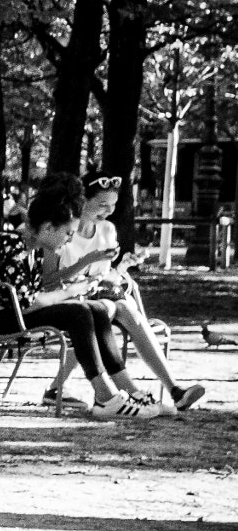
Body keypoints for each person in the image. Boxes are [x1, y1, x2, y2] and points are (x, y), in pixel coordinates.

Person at [0, 185, 170, 419]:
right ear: (48, 227)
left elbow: (32, 296)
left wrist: (81, 283)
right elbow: (29, 302)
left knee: (97, 309)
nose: (69, 240)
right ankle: (106, 397)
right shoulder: (12, 245)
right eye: (68, 233)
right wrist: (72, 291)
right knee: (78, 312)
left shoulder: (32, 248)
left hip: (10, 314)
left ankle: (128, 390)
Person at [37, 176, 207, 411]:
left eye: (113, 205)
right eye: (102, 204)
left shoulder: (107, 230)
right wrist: (88, 260)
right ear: (83, 201)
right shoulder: (62, 229)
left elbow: (104, 276)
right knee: (108, 310)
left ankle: (174, 390)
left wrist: (123, 267)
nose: (107, 211)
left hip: (94, 294)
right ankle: (130, 391)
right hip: (67, 298)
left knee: (127, 308)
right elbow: (49, 283)